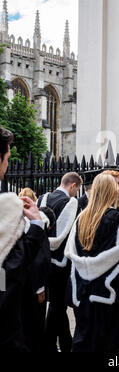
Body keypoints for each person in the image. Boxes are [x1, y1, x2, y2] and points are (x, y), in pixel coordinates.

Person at [65, 173, 119, 352]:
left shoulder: (81, 219)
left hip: (83, 293)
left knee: (83, 341)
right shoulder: (118, 221)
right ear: (111, 192)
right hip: (107, 295)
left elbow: (73, 254)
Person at [0, 126, 46, 352]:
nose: (7, 165)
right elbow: (10, 271)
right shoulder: (6, 207)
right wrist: (36, 226)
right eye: (7, 158)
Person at [37, 172, 82, 353]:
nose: (76, 193)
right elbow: (64, 234)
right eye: (77, 189)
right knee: (58, 305)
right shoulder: (71, 203)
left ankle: (65, 342)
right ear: (72, 185)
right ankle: (48, 343)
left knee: (56, 304)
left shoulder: (43, 198)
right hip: (60, 263)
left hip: (42, 259)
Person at [21, 206, 55, 352]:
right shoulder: (39, 230)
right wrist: (40, 288)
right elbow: (41, 261)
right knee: (34, 326)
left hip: (16, 285)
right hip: (32, 287)